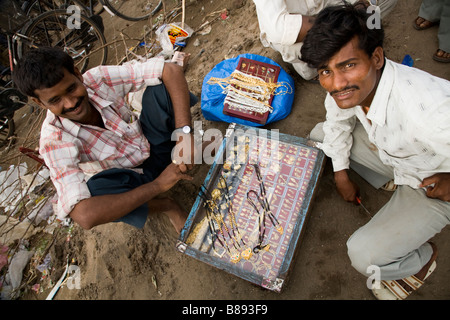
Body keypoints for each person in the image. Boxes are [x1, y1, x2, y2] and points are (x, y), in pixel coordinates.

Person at [301, 3, 450, 299]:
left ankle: (420, 261)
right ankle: (391, 181)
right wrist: (341, 174)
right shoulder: (346, 90)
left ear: (377, 57)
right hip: (402, 160)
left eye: (348, 65)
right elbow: (336, 122)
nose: (336, 83)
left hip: (429, 179)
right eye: (325, 71)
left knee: (363, 255)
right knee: (322, 135)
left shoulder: (429, 113)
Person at [13, 47, 198, 232]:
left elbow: (170, 70)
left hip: (154, 144)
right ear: (40, 103)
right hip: (135, 179)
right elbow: (85, 216)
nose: (71, 103)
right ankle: (167, 205)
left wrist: (184, 134)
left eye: (71, 89)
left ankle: (187, 151)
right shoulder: (54, 141)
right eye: (55, 100)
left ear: (78, 74)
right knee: (95, 193)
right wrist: (157, 186)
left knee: (159, 89)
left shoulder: (98, 79)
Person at [252, 0, 398, 81]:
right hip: (296, 30)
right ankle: (315, 70)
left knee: (374, 7)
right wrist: (341, 26)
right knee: (309, 62)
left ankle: (371, 42)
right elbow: (279, 28)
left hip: (328, 6)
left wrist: (362, 7)